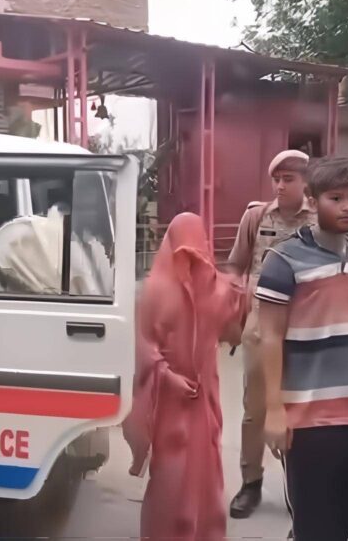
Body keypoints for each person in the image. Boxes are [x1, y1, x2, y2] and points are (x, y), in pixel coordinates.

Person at [256, 157, 348, 541]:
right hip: (307, 418)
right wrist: (274, 409)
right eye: (336, 198)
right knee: (313, 527)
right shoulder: (283, 259)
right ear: (312, 201)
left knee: (340, 524)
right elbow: (269, 336)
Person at [122, 213, 246, 541]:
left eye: (196, 253)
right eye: (184, 253)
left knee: (205, 469)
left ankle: (203, 531)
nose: (190, 261)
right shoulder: (155, 292)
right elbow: (142, 347)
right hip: (169, 401)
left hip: (203, 397)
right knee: (171, 473)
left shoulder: (215, 289)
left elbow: (234, 329)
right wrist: (166, 377)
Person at [226, 149, 317, 519]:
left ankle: (300, 488)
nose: (280, 185)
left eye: (288, 179)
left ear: (305, 182)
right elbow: (236, 265)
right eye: (276, 179)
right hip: (261, 326)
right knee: (256, 410)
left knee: (301, 411)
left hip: (305, 327)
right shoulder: (256, 216)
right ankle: (251, 482)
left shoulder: (320, 218)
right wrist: (235, 303)